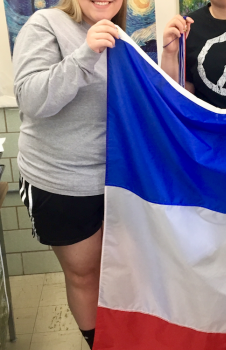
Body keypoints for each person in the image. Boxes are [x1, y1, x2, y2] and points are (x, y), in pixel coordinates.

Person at [12, 0, 125, 348]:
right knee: (84, 274)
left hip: (116, 181)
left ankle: (121, 336)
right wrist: (85, 52)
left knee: (117, 273)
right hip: (61, 182)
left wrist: (168, 55)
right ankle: (98, 343)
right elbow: (30, 99)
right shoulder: (45, 23)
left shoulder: (121, 37)